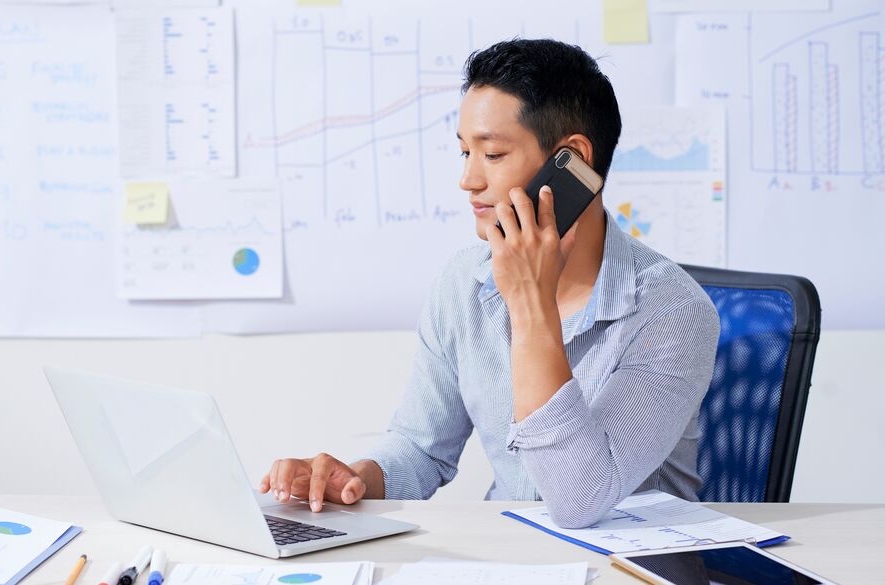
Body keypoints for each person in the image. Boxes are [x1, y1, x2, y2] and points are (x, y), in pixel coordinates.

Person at [259, 39, 720, 529]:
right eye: (464, 152)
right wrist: (353, 478)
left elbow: (579, 500)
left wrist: (529, 302)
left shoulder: (672, 310)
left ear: (572, 160)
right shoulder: (465, 281)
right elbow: (421, 448)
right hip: (512, 553)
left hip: (632, 566)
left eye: (493, 154)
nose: (468, 180)